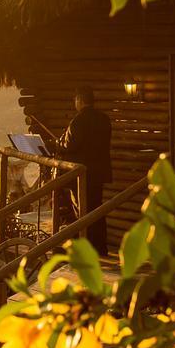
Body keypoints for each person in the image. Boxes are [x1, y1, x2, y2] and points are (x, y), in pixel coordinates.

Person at [57, 84, 114, 256]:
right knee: (97, 209)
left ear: (80, 100)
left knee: (81, 211)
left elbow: (70, 144)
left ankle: (86, 249)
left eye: (76, 99)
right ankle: (100, 248)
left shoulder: (78, 121)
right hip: (99, 174)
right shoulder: (104, 119)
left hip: (81, 175)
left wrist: (59, 143)